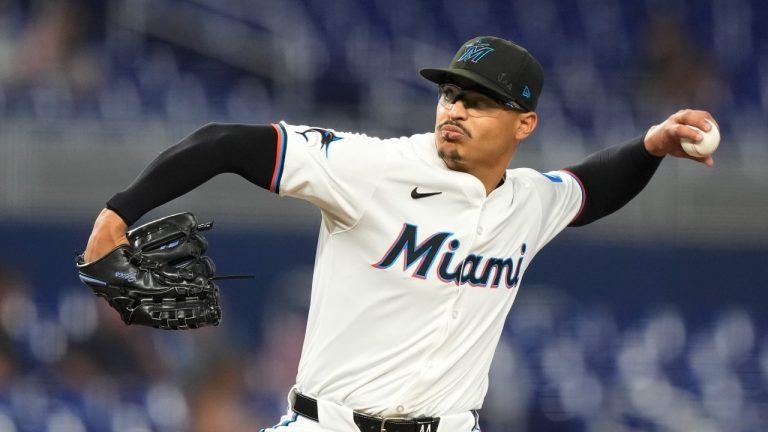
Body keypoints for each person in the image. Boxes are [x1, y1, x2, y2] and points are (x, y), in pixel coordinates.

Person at [81, 36, 718, 432]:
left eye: (479, 100)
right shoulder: (374, 168)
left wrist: (651, 146)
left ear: (524, 123)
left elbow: (589, 190)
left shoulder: (528, 202)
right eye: (450, 94)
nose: (456, 109)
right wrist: (118, 212)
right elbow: (222, 142)